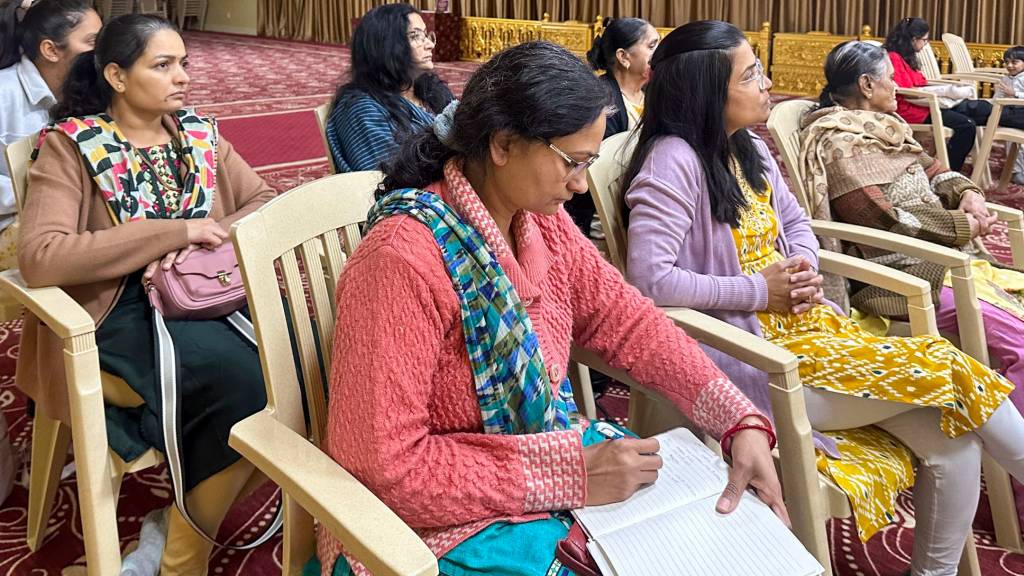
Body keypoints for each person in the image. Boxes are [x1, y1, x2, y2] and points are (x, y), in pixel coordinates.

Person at [312, 40, 786, 576]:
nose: (581, 185)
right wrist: (566, 474)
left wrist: (735, 417)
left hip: (534, 456)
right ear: (503, 144)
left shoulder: (540, 221)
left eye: (589, 163)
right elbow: (383, 470)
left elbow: (626, 320)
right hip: (421, 527)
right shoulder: (401, 259)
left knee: (704, 537)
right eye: (572, 163)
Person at [624, 20, 1024, 576]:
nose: (767, 83)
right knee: (956, 372)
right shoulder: (674, 160)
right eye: (751, 75)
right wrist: (759, 290)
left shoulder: (747, 148)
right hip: (760, 360)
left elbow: (797, 224)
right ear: (707, 91)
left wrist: (805, 270)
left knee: (953, 442)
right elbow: (648, 281)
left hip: (810, 333)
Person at [19, 14, 276, 576]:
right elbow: (41, 256)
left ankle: (174, 525)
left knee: (302, 370)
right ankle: (183, 559)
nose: (182, 76)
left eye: (183, 63)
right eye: (163, 65)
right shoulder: (72, 146)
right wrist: (175, 232)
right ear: (116, 75)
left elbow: (262, 200)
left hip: (201, 294)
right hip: (114, 311)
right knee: (243, 384)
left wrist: (210, 235)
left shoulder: (198, 136)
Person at [802, 40, 1024, 416]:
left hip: (942, 258)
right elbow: (885, 220)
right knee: (1021, 343)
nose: (897, 87)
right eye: (891, 79)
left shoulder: (885, 128)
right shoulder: (840, 144)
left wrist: (968, 193)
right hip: (904, 274)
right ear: (867, 85)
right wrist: (962, 225)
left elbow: (934, 169)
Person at [0, 0, 100, 270]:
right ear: (51, 50)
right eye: (93, 42)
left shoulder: (87, 92)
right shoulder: (4, 93)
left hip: (60, 212)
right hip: (12, 222)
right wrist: (48, 194)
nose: (102, 52)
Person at [324, 3, 454, 173]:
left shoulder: (430, 89)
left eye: (426, 35)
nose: (430, 44)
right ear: (385, 46)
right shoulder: (362, 109)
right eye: (415, 36)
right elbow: (388, 177)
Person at [565, 16, 659, 236]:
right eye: (652, 46)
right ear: (624, 57)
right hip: (603, 224)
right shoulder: (601, 103)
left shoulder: (650, 95)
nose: (660, 53)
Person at [884, 17, 993, 171]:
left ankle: (1013, 116)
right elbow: (908, 92)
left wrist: (945, 91)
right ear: (914, 39)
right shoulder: (894, 57)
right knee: (967, 125)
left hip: (925, 104)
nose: (925, 44)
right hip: (912, 110)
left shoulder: (907, 57)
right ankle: (948, 171)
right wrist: (944, 91)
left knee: (981, 110)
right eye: (924, 40)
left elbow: (921, 84)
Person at [995, 45, 1024, 183]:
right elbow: (998, 96)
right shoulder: (1005, 79)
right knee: (1010, 142)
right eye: (1007, 62)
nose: (1010, 66)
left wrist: (1015, 94)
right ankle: (1015, 171)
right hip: (1009, 113)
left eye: (1014, 62)